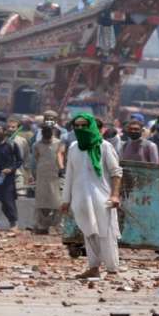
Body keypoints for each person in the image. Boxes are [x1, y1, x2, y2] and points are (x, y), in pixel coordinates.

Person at [61, 113, 123, 278]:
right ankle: (93, 267)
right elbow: (69, 175)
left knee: (106, 233)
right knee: (89, 232)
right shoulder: (74, 147)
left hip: (102, 197)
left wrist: (115, 195)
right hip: (80, 198)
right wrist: (65, 200)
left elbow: (116, 172)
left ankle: (112, 269)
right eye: (77, 126)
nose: (81, 129)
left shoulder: (104, 146)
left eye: (84, 125)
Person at [31, 123, 65, 235]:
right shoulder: (37, 144)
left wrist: (61, 169)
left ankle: (58, 225)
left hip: (55, 175)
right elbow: (35, 159)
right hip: (42, 175)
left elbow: (61, 156)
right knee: (41, 201)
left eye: (49, 131)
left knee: (57, 201)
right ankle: (41, 225)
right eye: (45, 131)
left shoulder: (59, 143)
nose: (47, 133)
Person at [7, 117, 31, 197]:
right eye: (8, 127)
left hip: (19, 173)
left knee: (20, 194)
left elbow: (26, 159)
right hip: (5, 172)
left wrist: (29, 174)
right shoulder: (1, 140)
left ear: (18, 128)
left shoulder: (22, 141)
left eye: (13, 127)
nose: (10, 129)